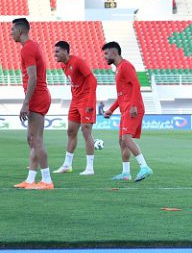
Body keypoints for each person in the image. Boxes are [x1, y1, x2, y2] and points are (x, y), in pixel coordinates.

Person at [11, 18, 54, 190]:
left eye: (13, 30)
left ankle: (47, 180)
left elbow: (33, 78)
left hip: (38, 97)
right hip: (38, 96)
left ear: (20, 31)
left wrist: (26, 103)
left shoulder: (28, 48)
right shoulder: (31, 46)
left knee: (36, 140)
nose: (11, 33)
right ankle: (30, 180)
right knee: (31, 139)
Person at [102, 42, 153, 182]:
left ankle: (144, 167)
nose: (104, 57)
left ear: (114, 53)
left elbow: (136, 84)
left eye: (106, 54)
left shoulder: (125, 66)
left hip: (132, 109)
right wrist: (111, 110)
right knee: (122, 141)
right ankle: (126, 173)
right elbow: (122, 95)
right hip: (126, 109)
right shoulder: (119, 69)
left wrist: (134, 105)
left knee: (126, 138)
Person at [52, 41, 98, 176]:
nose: (55, 54)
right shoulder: (63, 65)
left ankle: (90, 168)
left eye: (57, 52)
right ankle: (67, 165)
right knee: (71, 131)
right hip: (75, 101)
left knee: (86, 130)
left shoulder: (78, 62)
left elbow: (93, 80)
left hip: (86, 100)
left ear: (65, 51)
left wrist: (90, 102)